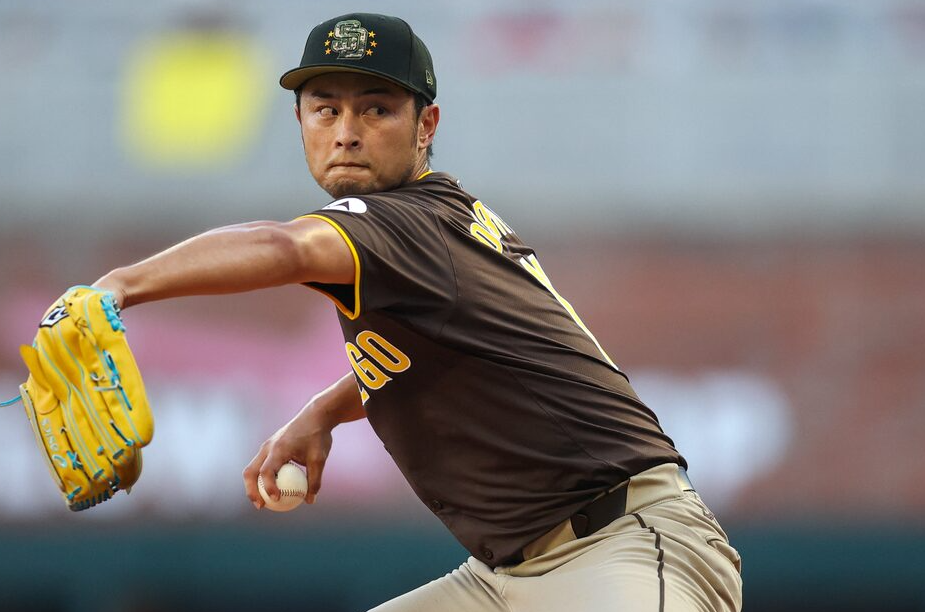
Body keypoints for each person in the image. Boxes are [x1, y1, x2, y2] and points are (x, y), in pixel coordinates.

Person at [94, 12, 742, 611]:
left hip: (621, 545)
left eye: (376, 109)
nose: (345, 132)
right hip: (504, 578)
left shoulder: (400, 222)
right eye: (325, 110)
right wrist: (325, 410)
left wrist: (118, 286)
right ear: (300, 123)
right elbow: (452, 348)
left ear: (425, 126)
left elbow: (283, 247)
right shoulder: (438, 222)